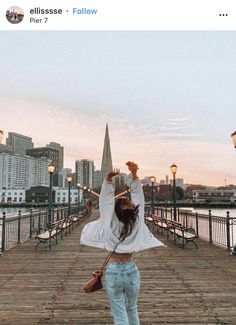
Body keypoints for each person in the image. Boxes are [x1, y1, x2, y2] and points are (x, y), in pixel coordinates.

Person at [81, 162, 165, 325]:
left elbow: (105, 202)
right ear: (132, 209)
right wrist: (134, 175)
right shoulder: (137, 222)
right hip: (131, 270)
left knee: (119, 311)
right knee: (132, 308)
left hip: (113, 271)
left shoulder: (109, 223)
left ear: (114, 211)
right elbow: (139, 198)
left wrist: (108, 181)